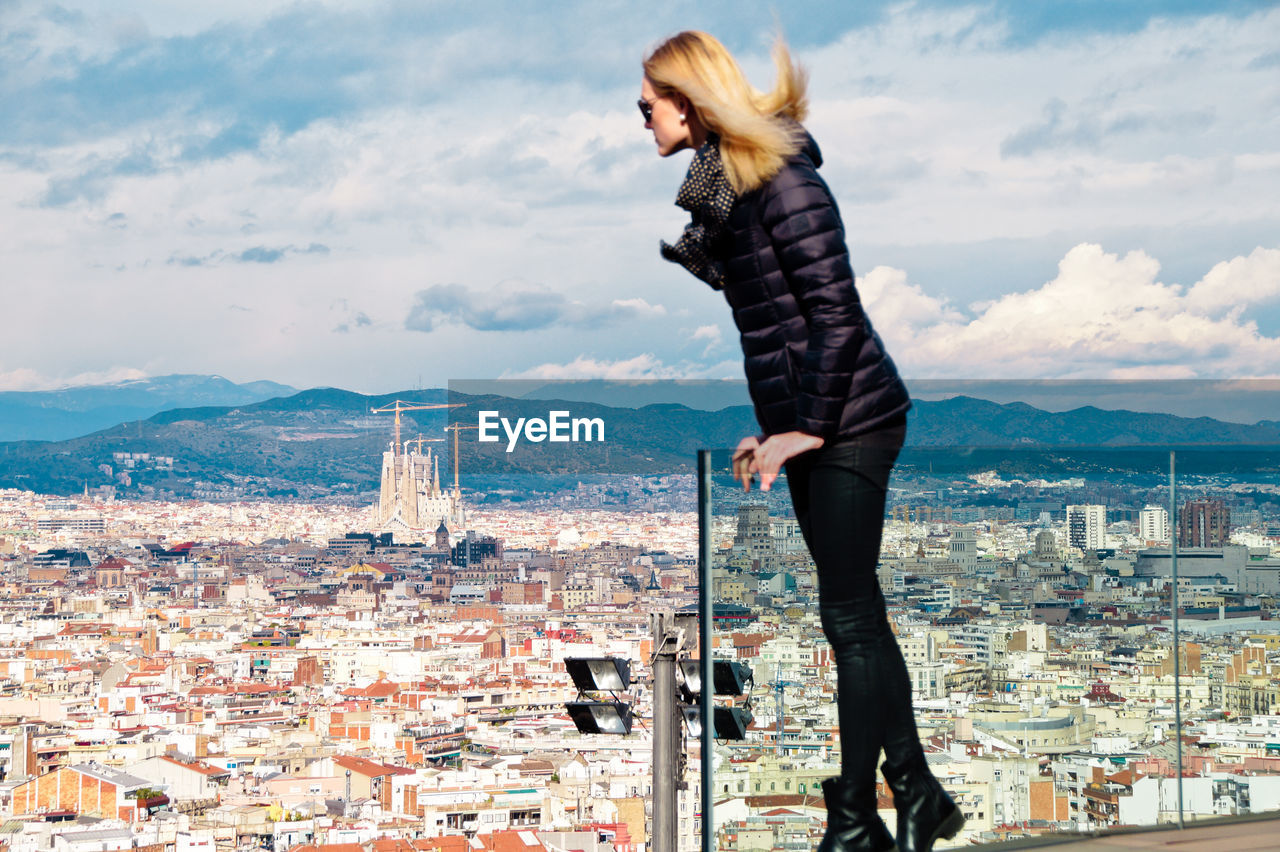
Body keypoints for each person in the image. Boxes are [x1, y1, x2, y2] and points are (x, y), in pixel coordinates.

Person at [641, 31, 965, 852]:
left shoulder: (786, 185)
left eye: (648, 100)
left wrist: (804, 428)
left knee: (849, 617)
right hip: (819, 423)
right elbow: (784, 333)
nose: (640, 115)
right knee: (857, 616)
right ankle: (918, 796)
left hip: (853, 421)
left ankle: (858, 818)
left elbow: (836, 318)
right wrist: (777, 428)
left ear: (690, 98)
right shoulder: (738, 196)